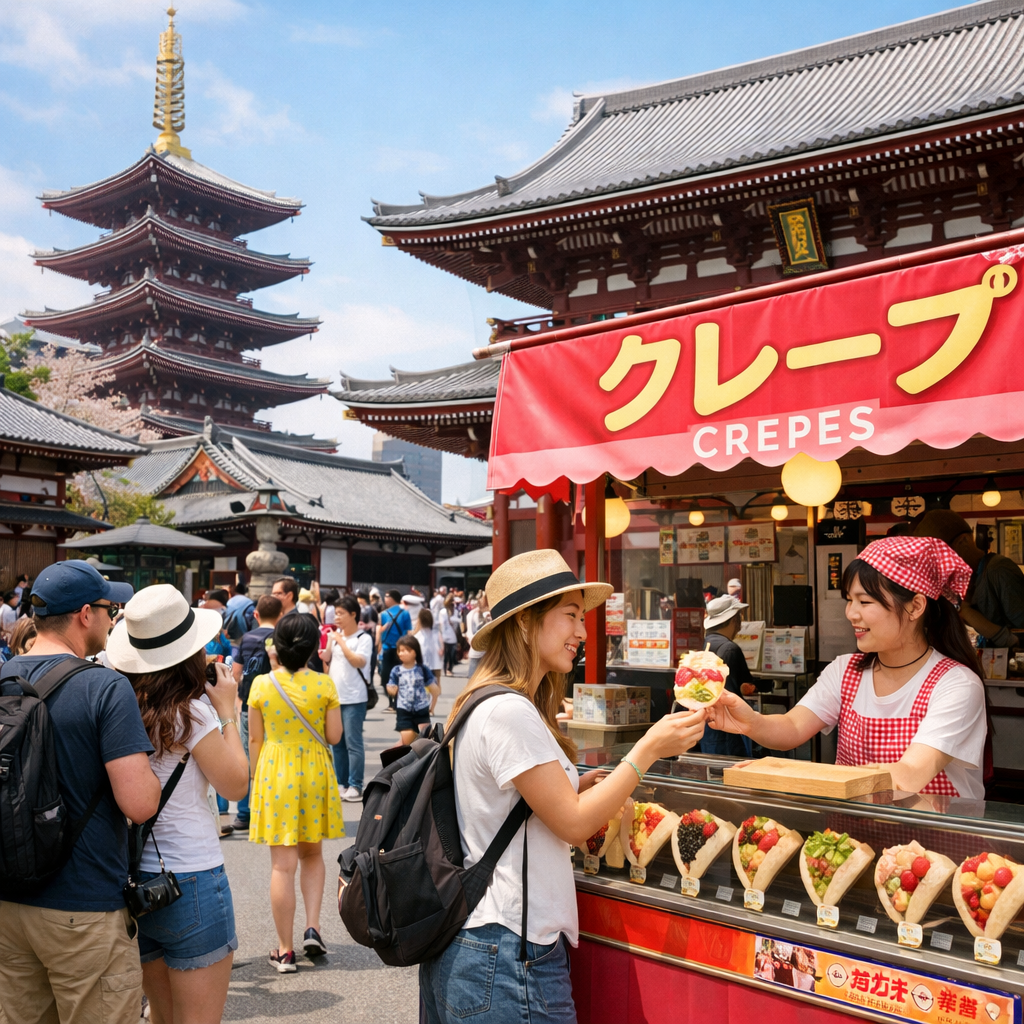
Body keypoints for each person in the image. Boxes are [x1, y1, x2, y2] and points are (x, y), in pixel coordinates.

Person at [419, 550, 706, 1024]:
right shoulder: (509, 711)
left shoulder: (485, 700)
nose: (582, 632)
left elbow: (530, 804)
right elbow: (572, 824)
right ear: (527, 624)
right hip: (509, 951)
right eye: (570, 616)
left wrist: (586, 783)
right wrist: (648, 749)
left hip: (481, 945)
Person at [0, 560, 160, 1024]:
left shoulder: (4, 679)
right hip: (83, 906)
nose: (115, 619)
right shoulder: (103, 687)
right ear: (85, 614)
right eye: (111, 609)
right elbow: (140, 803)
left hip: (10, 902)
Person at [706, 536, 988, 798]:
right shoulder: (845, 671)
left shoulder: (957, 684)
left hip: (928, 846)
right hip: (849, 842)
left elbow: (910, 774)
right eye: (849, 600)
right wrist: (751, 722)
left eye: (864, 602)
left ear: (915, 606)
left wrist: (782, 772)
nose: (851, 614)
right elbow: (792, 726)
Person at [107, 584, 249, 1024]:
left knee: (162, 1017)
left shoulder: (121, 703)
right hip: (192, 877)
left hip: (137, 879)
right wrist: (227, 710)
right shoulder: (193, 713)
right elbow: (235, 786)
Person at [247, 613, 344, 972]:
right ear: (311, 648)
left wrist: (256, 777)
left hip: (275, 770)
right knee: (313, 855)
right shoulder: (324, 685)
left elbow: (255, 738)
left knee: (281, 866)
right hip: (315, 771)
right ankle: (313, 928)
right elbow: (334, 736)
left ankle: (285, 950)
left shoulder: (261, 686)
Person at [915, 509, 1024, 649]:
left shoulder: (998, 570)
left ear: (964, 541)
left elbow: (1021, 631)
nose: (939, 564)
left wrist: (967, 612)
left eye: (941, 555)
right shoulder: (967, 579)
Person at [230, 594, 282, 832]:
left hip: (251, 704)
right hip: (277, 704)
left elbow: (236, 674)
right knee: (275, 756)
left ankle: (244, 813)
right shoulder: (282, 638)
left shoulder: (247, 638)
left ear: (256, 615)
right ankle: (272, 810)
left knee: (248, 756)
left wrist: (236, 700)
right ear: (280, 615)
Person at [696, 594, 768, 758]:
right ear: (734, 620)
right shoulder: (730, 649)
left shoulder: (706, 643)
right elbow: (744, 688)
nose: (740, 626)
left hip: (708, 726)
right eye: (739, 619)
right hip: (728, 728)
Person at [322, 594, 373, 802]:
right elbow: (327, 659)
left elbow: (359, 662)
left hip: (354, 697)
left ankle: (355, 784)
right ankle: (341, 783)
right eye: (336, 614)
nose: (337, 618)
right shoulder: (336, 636)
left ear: (354, 614)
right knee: (337, 743)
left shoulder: (364, 638)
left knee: (353, 742)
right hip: (335, 697)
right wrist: (328, 644)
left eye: (341, 614)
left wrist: (341, 642)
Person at [386, 633, 440, 745]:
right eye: (400, 650)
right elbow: (391, 685)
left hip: (421, 708)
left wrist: (433, 690)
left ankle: (404, 758)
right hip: (404, 710)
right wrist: (391, 689)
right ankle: (394, 758)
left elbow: (434, 688)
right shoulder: (396, 670)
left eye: (406, 650)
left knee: (423, 740)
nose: (402, 653)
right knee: (407, 739)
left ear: (415, 652)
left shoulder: (422, 669)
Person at [377, 589, 412, 711]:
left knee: (390, 676)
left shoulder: (402, 613)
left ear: (392, 598)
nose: (385, 599)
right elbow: (408, 632)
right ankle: (393, 702)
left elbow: (407, 631)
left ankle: (395, 702)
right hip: (391, 648)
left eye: (387, 596)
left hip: (397, 649)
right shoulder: (384, 614)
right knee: (389, 676)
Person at [463, 591, 489, 679]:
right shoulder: (473, 614)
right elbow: (471, 632)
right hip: (478, 651)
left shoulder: (488, 614)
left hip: (485, 652)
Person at [415, 606, 443, 685]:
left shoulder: (417, 637)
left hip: (419, 670)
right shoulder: (436, 635)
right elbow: (438, 658)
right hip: (432, 671)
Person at [439, 594, 459, 676]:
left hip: (452, 635)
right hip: (447, 635)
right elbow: (442, 624)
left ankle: (448, 669)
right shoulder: (443, 612)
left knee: (451, 654)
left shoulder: (456, 611)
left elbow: (458, 622)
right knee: (447, 654)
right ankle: (447, 669)